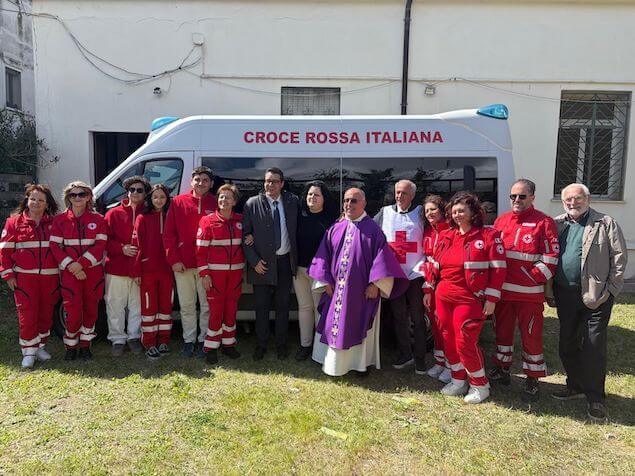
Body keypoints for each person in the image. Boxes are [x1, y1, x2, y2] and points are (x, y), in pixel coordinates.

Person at [546, 183, 627, 422]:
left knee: (593, 347)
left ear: (588, 199)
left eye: (577, 199)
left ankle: (595, 398)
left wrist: (610, 292)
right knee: (567, 344)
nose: (573, 203)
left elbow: (620, 260)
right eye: (568, 200)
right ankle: (575, 385)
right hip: (565, 296)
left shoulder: (606, 223)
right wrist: (549, 290)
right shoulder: (558, 223)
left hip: (596, 297)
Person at [309, 188, 409, 376]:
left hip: (362, 292)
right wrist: (325, 282)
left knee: (359, 324)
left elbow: (384, 261)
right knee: (334, 324)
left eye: (354, 201)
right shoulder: (335, 228)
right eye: (346, 200)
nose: (349, 204)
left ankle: (360, 365)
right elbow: (323, 256)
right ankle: (332, 364)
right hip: (336, 291)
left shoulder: (373, 230)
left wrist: (376, 285)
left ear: (364, 203)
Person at [422, 191, 506, 403]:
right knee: (447, 338)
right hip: (443, 295)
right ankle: (458, 379)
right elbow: (433, 266)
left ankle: (480, 385)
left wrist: (492, 299)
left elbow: (498, 269)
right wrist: (428, 289)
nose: (458, 215)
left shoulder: (488, 236)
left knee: (465, 341)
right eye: (454, 211)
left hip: (469, 299)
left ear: (473, 212)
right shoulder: (447, 236)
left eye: (462, 211)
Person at [489, 179, 559, 402]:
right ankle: (502, 369)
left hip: (529, 295)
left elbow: (551, 258)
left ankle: (532, 378)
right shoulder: (501, 221)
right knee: (502, 333)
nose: (516, 200)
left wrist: (532, 278)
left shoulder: (544, 222)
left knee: (531, 337)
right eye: (513, 196)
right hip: (503, 293)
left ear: (532, 197)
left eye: (521, 196)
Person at [0, 184, 60, 369]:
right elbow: (4, 252)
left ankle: (40, 346)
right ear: (27, 199)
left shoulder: (54, 223)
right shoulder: (14, 222)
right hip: (25, 279)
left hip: (50, 278)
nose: (36, 203)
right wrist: (8, 274)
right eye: (33, 198)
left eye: (40, 200)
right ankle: (28, 351)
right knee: (27, 315)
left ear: (47, 203)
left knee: (45, 315)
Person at [243, 167, 299, 360]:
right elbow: (245, 236)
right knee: (261, 307)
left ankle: (281, 345)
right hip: (261, 264)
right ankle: (261, 345)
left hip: (284, 263)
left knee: (283, 306)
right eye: (267, 181)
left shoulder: (292, 202)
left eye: (275, 181)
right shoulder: (252, 204)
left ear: (282, 184)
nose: (270, 185)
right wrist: (254, 261)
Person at [50, 181, 107, 361]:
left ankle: (85, 346)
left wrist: (81, 264)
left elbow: (100, 245)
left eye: (81, 194)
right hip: (70, 273)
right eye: (73, 195)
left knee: (91, 311)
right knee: (73, 312)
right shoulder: (59, 220)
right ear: (68, 197)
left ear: (88, 196)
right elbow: (55, 246)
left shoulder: (98, 219)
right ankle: (70, 346)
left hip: (92, 272)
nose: (77, 198)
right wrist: (72, 266)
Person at [163, 166, 217, 357]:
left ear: (210, 183)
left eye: (205, 180)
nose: (200, 183)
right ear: (191, 181)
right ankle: (188, 340)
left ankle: (204, 340)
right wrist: (173, 260)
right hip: (183, 264)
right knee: (186, 305)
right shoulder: (178, 202)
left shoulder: (216, 202)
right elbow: (168, 234)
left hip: (207, 266)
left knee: (206, 305)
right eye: (197, 179)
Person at [374, 180, 427, 373]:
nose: (399, 196)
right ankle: (405, 354)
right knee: (398, 317)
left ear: (412, 195)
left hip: (415, 274)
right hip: (394, 274)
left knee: (418, 317)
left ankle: (420, 356)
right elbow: (369, 230)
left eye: (404, 193)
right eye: (397, 192)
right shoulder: (384, 213)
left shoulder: (421, 213)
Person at [196, 184, 245, 364]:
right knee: (216, 312)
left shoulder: (241, 220)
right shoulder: (207, 221)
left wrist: (250, 238)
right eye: (221, 197)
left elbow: (248, 243)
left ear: (234, 201)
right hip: (215, 276)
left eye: (228, 197)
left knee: (231, 310)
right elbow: (200, 252)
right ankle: (210, 347)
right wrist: (204, 274)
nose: (223, 200)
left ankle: (228, 344)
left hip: (235, 276)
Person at [104, 175, 150, 356]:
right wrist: (121, 248)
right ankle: (117, 339)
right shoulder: (113, 213)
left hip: (140, 269)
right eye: (132, 189)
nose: (135, 193)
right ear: (127, 192)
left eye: (139, 190)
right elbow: (103, 240)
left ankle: (133, 337)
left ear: (145, 193)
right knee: (115, 305)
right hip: (117, 267)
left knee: (137, 305)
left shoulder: (149, 213)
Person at [293, 180, 338, 361]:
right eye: (310, 194)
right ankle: (305, 345)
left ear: (324, 198)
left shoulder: (331, 220)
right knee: (304, 308)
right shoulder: (298, 216)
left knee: (320, 310)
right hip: (299, 270)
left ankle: (320, 349)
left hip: (320, 273)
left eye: (316, 195)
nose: (312, 198)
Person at [132, 184, 174, 360]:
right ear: (150, 198)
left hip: (167, 270)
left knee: (166, 307)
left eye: (162, 197)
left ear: (167, 198)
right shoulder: (143, 218)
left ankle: (163, 340)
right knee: (149, 307)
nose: (159, 200)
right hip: (148, 270)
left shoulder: (171, 215)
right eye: (155, 197)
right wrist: (137, 272)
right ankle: (149, 343)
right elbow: (136, 246)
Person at [420, 194, 451, 383]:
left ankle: (451, 365)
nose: (430, 213)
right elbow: (426, 260)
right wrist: (426, 289)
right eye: (427, 210)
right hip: (430, 285)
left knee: (447, 327)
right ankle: (440, 362)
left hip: (445, 284)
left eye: (433, 209)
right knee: (437, 327)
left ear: (442, 209)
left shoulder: (451, 230)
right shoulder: (428, 231)